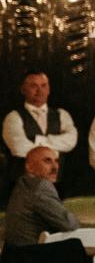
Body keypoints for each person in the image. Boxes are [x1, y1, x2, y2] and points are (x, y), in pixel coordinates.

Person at [2, 70, 78, 205]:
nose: (39, 90)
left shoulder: (62, 114)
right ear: (23, 89)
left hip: (57, 186)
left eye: (43, 85)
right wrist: (55, 144)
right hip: (24, 187)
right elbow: (19, 148)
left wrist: (37, 140)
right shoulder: (13, 117)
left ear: (49, 89)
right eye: (33, 86)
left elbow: (71, 141)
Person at [3, 146, 79, 246]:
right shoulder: (40, 186)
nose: (55, 167)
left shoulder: (24, 183)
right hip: (31, 257)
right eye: (47, 161)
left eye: (56, 161)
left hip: (14, 256)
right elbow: (69, 223)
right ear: (29, 167)